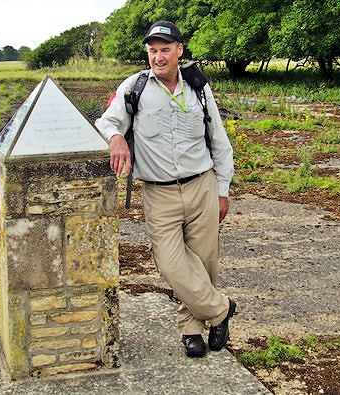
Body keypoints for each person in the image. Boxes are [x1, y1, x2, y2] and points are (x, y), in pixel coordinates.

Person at [95, 21, 235, 358]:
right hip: (158, 192)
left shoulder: (199, 88)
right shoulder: (135, 87)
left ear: (179, 51)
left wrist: (223, 189)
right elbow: (107, 121)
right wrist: (116, 139)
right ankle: (220, 310)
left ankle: (191, 329)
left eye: (165, 49)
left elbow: (219, 140)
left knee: (204, 263)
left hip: (202, 185)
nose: (158, 57)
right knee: (171, 265)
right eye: (153, 50)